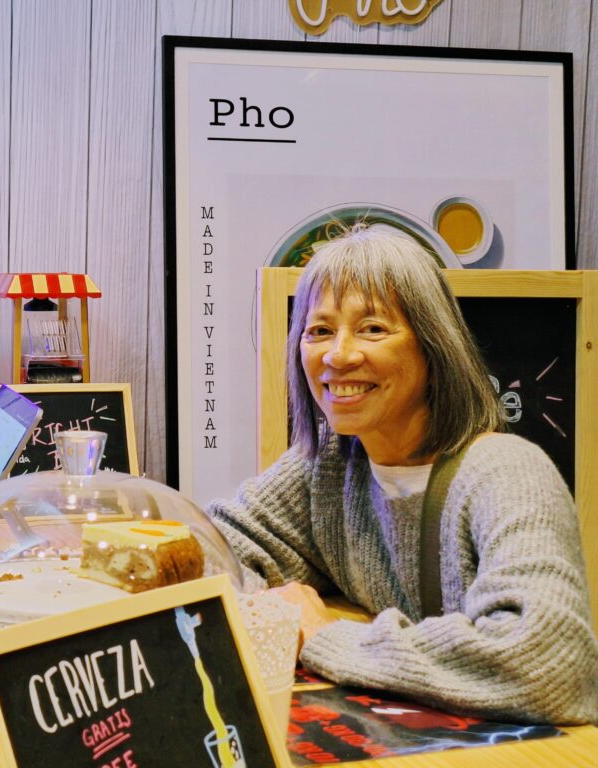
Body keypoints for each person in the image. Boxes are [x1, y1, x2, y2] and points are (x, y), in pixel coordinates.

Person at [208, 225, 598, 725]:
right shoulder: (328, 466)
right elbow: (212, 551)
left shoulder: (507, 473)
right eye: (319, 330)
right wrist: (270, 609)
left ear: (434, 350)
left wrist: (326, 637)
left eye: (372, 328)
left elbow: (550, 667)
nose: (338, 355)